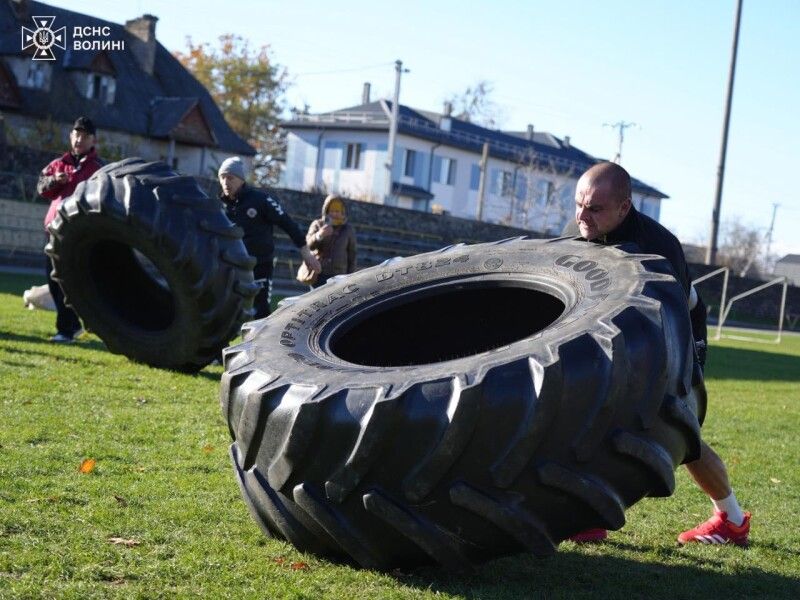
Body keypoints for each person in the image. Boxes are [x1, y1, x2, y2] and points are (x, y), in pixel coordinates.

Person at [563, 162, 750, 546]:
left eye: (595, 208)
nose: (583, 215)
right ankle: (587, 514)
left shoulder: (658, 246)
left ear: (624, 207)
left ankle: (731, 520)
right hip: (613, 327)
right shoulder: (577, 231)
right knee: (581, 412)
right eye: (578, 203)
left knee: (675, 428)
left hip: (675, 329)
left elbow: (670, 317)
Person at [218, 157, 320, 318]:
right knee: (228, 311)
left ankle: (262, 343)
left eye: (230, 177)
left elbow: (287, 223)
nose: (225, 182)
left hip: (260, 266)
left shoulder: (260, 200)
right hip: (231, 267)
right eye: (222, 177)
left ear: (241, 179)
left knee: (261, 311)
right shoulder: (220, 207)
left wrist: (306, 253)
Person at [37, 116, 104, 343]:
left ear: (93, 140)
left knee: (77, 282)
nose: (79, 139)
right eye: (76, 134)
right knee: (54, 282)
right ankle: (69, 327)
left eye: (84, 136)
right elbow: (41, 188)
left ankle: (74, 328)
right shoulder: (58, 164)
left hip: (80, 235)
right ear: (70, 136)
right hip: (53, 232)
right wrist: (56, 181)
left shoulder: (98, 169)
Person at [305, 194, 357, 288]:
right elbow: (308, 246)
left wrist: (350, 277)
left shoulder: (348, 229)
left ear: (343, 212)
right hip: (319, 274)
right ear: (326, 211)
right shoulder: (318, 224)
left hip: (339, 277)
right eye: (332, 211)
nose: (335, 214)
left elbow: (352, 255)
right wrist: (319, 235)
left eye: (338, 211)